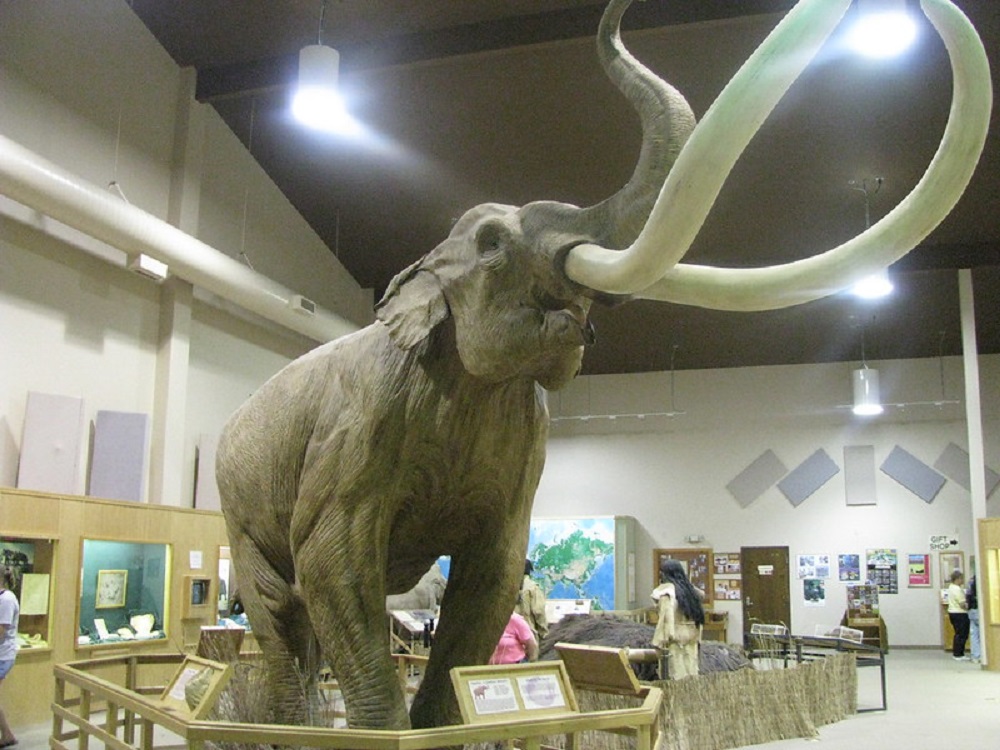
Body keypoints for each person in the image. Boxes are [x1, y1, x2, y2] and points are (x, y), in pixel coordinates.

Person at [651, 559, 704, 679]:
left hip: (674, 644)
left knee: (675, 679)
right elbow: (699, 621)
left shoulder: (667, 594)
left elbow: (666, 621)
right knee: (691, 678)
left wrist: (659, 642)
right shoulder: (691, 593)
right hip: (691, 644)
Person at [0, 566, 20, 748]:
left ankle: (7, 735)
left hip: (2, 656)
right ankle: (7, 734)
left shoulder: (6, 600)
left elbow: (1, 630)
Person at [514, 559, 548, 642]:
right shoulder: (533, 588)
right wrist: (544, 633)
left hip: (510, 634)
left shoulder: (509, 588)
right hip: (528, 635)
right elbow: (539, 611)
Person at [946, 569, 970, 661]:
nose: (962, 581)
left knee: (958, 634)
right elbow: (962, 604)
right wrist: (970, 606)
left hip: (952, 612)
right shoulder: (957, 589)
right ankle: (958, 654)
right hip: (959, 613)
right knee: (962, 634)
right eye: (961, 579)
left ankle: (958, 653)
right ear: (958, 579)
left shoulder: (951, 587)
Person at [967, 574, 980, 663]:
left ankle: (975, 656)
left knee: (973, 634)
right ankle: (982, 655)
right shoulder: (981, 584)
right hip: (979, 610)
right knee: (981, 634)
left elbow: (967, 597)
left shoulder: (970, 585)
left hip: (971, 610)